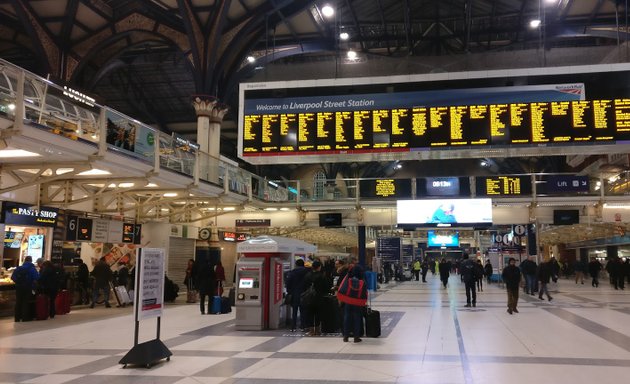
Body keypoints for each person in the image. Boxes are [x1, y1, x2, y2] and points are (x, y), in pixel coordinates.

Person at [337, 264, 367, 343]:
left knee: (347, 317)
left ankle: (345, 336)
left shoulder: (348, 279)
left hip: (348, 301)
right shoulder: (362, 281)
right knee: (357, 318)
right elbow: (364, 293)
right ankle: (356, 337)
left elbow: (343, 288)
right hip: (357, 302)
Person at [303, 260, 330, 336]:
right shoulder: (322, 276)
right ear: (319, 267)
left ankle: (311, 331)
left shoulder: (307, 275)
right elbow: (326, 288)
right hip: (319, 298)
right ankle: (317, 330)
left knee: (310, 314)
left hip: (309, 298)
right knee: (318, 314)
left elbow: (304, 286)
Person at [11, 256, 39, 322]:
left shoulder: (19, 268)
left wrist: (18, 282)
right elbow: (37, 277)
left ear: (25, 260)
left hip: (18, 287)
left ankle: (17, 318)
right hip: (27, 287)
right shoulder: (32, 268)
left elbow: (12, 277)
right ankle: (24, 318)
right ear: (31, 261)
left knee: (18, 302)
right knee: (25, 302)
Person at [285, 259, 309, 331]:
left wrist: (289, 291)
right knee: (303, 310)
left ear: (296, 264)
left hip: (295, 293)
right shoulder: (307, 271)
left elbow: (288, 282)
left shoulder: (292, 272)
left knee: (294, 311)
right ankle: (303, 326)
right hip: (304, 293)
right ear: (303, 264)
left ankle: (293, 327)